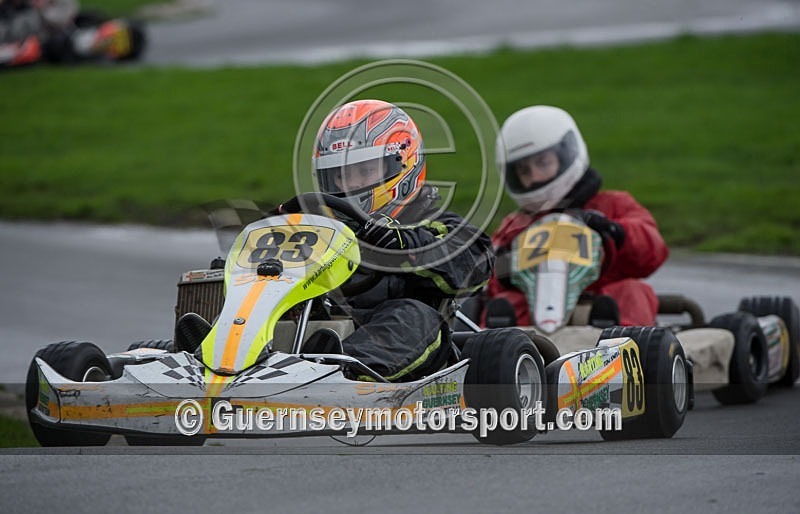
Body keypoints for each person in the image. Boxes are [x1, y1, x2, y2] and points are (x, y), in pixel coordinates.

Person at [305, 99, 494, 381]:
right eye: (342, 175)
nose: (353, 184)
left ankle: (345, 374)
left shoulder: (433, 222)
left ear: (404, 164)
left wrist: (405, 244)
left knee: (412, 315)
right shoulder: (322, 230)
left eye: (365, 171)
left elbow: (477, 260)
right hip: (324, 331)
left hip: (411, 342)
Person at [486, 105, 668, 327]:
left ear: (567, 153)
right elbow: (487, 278)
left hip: (598, 309)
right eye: (524, 171)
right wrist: (506, 266)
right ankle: (505, 354)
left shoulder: (612, 205)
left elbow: (652, 251)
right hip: (536, 318)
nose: (534, 177)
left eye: (543, 163)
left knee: (632, 292)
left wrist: (615, 232)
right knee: (503, 303)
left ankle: (622, 347)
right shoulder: (516, 225)